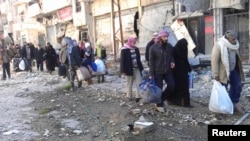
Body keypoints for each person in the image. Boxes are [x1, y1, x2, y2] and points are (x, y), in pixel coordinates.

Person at [211, 30, 245, 114]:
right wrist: (215, 74)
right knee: (223, 89)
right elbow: (214, 60)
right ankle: (222, 107)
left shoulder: (235, 45)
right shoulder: (219, 45)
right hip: (222, 72)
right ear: (227, 38)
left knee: (238, 85)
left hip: (233, 70)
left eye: (235, 38)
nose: (234, 40)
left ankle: (234, 103)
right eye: (232, 39)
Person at [149, 29, 175, 113]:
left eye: (167, 36)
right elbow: (151, 61)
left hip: (168, 71)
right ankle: (159, 104)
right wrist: (151, 73)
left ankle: (162, 98)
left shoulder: (169, 46)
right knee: (159, 88)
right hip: (157, 71)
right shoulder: (153, 48)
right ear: (160, 37)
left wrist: (172, 62)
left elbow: (172, 56)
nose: (166, 38)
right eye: (164, 37)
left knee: (172, 86)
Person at [166, 38, 193, 108]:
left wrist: (189, 68)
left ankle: (186, 103)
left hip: (183, 71)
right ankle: (174, 100)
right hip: (176, 72)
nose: (185, 47)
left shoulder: (184, 49)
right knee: (177, 87)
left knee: (185, 87)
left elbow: (185, 59)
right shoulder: (174, 50)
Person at [120, 37, 144, 102]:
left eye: (135, 43)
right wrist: (123, 71)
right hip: (129, 69)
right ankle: (129, 96)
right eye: (133, 43)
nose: (134, 44)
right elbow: (122, 61)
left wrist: (141, 68)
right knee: (129, 83)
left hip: (137, 68)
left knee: (139, 82)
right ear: (130, 42)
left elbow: (138, 59)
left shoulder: (136, 49)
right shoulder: (124, 49)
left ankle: (138, 96)